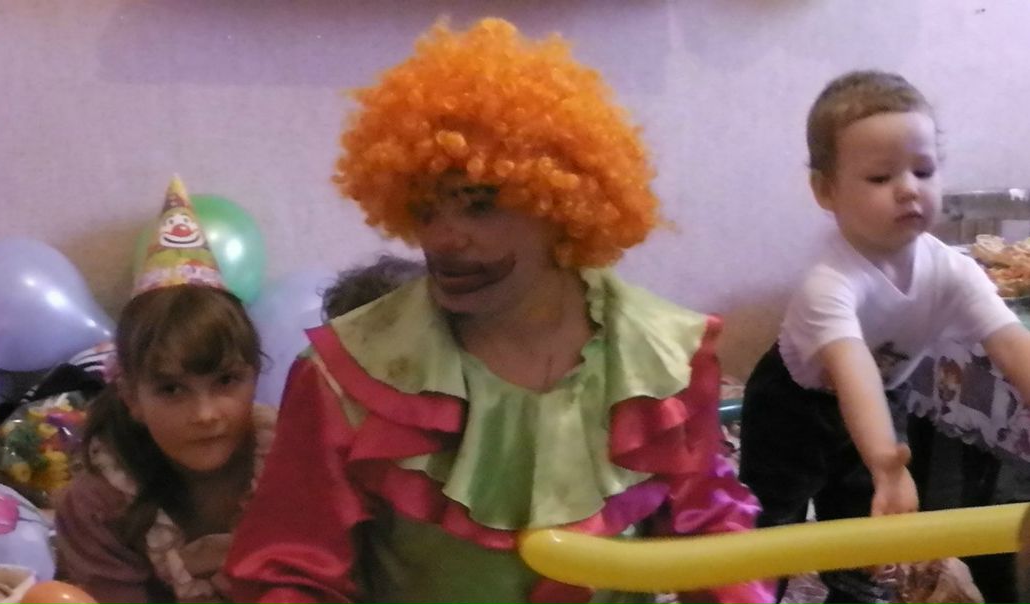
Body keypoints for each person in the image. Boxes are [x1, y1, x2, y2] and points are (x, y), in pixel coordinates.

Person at [226, 18, 770, 604]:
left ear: (560, 202)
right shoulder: (347, 377)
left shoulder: (661, 360)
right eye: (425, 210)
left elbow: (709, 538)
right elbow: (290, 571)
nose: (443, 239)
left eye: (480, 206)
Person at [738, 70, 1030, 604]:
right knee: (770, 520)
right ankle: (754, 593)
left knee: (863, 533)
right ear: (826, 191)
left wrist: (882, 466)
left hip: (882, 401)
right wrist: (883, 462)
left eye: (924, 170)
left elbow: (1011, 342)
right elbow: (851, 369)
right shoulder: (830, 281)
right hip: (792, 407)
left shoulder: (952, 270)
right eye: (880, 177)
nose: (909, 188)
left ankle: (853, 591)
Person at [54, 178, 276, 604]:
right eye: (172, 389)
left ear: (255, 376)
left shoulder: (291, 461)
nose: (206, 413)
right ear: (132, 397)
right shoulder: (98, 505)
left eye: (227, 381)